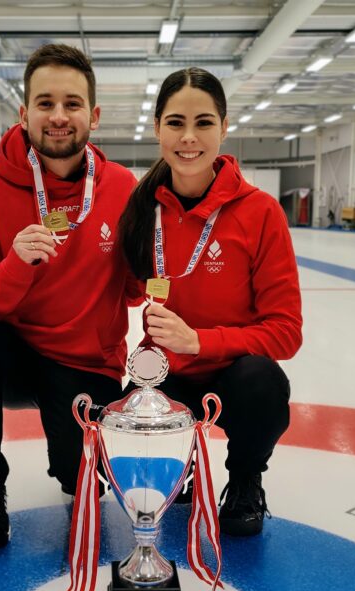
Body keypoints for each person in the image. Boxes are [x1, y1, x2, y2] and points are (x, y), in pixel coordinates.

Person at [0, 44, 139, 549]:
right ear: (24, 114)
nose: (59, 116)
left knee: (79, 483)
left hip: (87, 364)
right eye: (45, 103)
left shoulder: (121, 188)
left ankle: (78, 461)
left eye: (72, 104)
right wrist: (13, 268)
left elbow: (136, 292)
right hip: (15, 359)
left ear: (93, 115)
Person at [118, 67, 303, 536]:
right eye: (176, 122)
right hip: (162, 377)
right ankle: (181, 465)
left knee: (265, 383)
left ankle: (244, 479)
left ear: (223, 126)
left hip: (233, 375)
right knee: (110, 454)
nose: (189, 137)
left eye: (203, 122)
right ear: (158, 127)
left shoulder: (260, 212)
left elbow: (285, 331)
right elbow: (119, 290)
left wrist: (199, 341)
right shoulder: (142, 208)